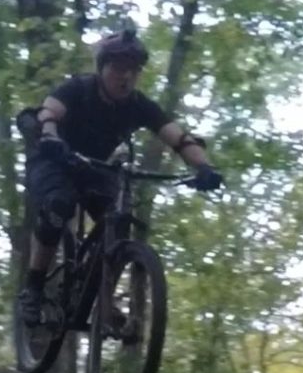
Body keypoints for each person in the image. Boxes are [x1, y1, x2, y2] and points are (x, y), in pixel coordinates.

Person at [19, 29, 224, 326]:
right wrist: (50, 136)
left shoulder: (139, 105)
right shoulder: (79, 88)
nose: (125, 76)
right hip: (54, 159)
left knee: (117, 226)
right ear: (102, 68)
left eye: (133, 70)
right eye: (118, 67)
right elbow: (48, 112)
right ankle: (34, 288)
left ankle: (102, 301)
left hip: (95, 168)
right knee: (58, 206)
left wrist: (205, 167)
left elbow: (178, 138)